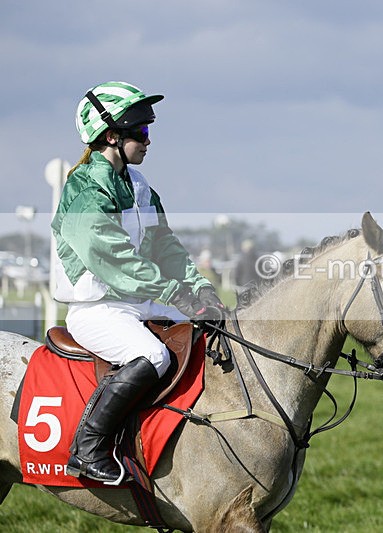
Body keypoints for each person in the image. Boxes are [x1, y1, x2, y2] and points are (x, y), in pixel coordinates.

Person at [51, 81, 225, 483]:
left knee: (205, 330)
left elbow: (165, 246)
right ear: (112, 136)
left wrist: (200, 290)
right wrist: (175, 293)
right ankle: (89, 448)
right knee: (154, 356)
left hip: (136, 300)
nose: (149, 141)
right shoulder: (83, 188)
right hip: (96, 308)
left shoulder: (140, 186)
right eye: (141, 132)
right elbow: (115, 260)